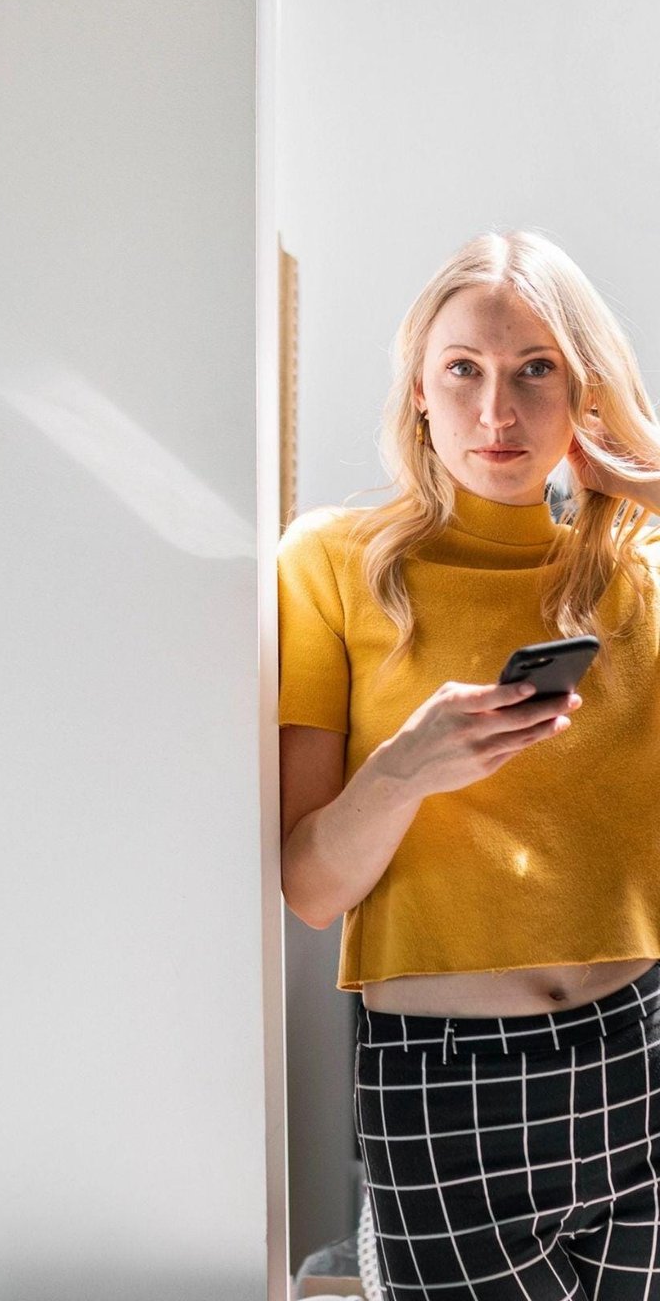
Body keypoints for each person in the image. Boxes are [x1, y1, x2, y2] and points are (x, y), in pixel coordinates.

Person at [278, 229, 660, 1298]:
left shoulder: (637, 567)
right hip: (446, 1085)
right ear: (417, 389)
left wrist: (642, 481)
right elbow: (309, 887)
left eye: (535, 369)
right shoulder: (331, 564)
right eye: (464, 370)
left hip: (643, 1046)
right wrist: (404, 770)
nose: (496, 413)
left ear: (581, 390)